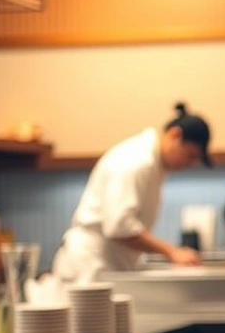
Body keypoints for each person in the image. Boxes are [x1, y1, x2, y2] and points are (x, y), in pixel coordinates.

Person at [52, 102, 212, 283]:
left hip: (103, 264)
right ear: (174, 135)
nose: (189, 164)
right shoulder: (137, 161)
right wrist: (171, 251)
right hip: (89, 265)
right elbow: (119, 227)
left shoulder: (153, 164)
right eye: (189, 156)